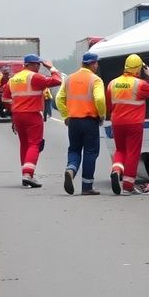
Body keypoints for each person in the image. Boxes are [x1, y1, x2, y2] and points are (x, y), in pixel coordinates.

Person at [1, 54, 62, 188]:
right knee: (34, 143)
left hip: (17, 115)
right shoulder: (34, 77)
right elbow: (58, 81)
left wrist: (14, 114)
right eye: (37, 64)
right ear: (30, 65)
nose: (39, 67)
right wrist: (51, 68)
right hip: (32, 115)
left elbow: (5, 99)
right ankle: (28, 174)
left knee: (24, 145)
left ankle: (25, 174)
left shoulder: (14, 79)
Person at [106, 54, 149, 195]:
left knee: (120, 150)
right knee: (133, 153)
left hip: (117, 122)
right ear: (138, 69)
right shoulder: (140, 84)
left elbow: (108, 105)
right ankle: (127, 187)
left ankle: (116, 170)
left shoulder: (112, 83)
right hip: (134, 123)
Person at [56, 52, 105, 196]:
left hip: (73, 122)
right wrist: (101, 115)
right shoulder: (95, 80)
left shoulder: (69, 78)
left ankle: (70, 170)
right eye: (96, 63)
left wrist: (66, 115)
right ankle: (87, 186)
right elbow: (100, 99)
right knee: (90, 152)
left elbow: (59, 98)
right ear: (92, 64)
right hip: (89, 121)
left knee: (74, 150)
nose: (97, 66)